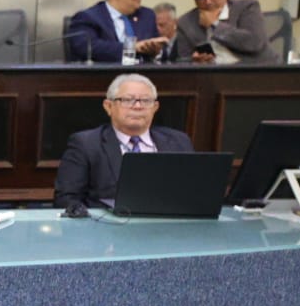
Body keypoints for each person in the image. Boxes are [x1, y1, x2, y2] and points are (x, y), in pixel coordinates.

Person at [53, 73, 195, 209]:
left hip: (167, 228)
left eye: (146, 101)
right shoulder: (86, 144)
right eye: (128, 100)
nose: (138, 106)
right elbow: (66, 200)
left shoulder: (179, 141)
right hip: (107, 229)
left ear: (155, 107)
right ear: (108, 106)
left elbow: (192, 193)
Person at [66, 0, 167, 63]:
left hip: (144, 77)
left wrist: (157, 51)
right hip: (103, 78)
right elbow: (88, 47)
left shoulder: (147, 16)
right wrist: (132, 47)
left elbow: (163, 56)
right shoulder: (88, 18)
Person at [172, 0, 274, 64]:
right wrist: (194, 61)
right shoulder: (185, 22)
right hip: (213, 77)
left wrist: (215, 25)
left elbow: (254, 43)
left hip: (254, 71)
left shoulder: (247, 7)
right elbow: (182, 61)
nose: (208, 1)